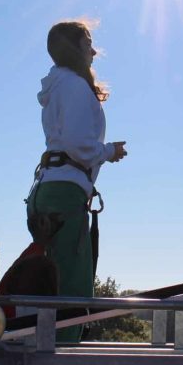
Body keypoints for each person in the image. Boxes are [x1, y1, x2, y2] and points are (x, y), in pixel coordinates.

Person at [28, 20, 127, 341]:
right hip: (65, 193)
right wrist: (109, 151)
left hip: (48, 189)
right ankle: (61, 364)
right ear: (74, 49)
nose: (94, 51)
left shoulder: (58, 86)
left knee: (48, 283)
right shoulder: (73, 86)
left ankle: (45, 352)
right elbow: (78, 145)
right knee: (71, 288)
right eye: (87, 43)